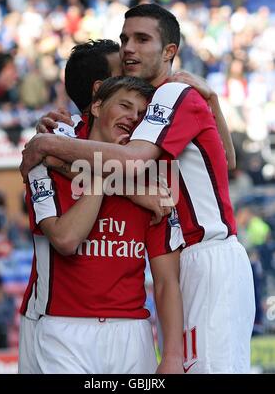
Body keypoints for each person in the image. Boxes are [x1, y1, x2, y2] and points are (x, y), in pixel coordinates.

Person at [20, 3, 255, 374]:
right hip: (178, 261)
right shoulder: (146, 112)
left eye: (141, 39)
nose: (129, 48)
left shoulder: (171, 96)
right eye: (125, 39)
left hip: (206, 255)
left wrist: (49, 148)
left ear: (169, 51)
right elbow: (223, 163)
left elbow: (129, 160)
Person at [21, 76, 185, 374]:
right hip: (63, 330)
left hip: (133, 334)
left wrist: (172, 356)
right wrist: (106, 176)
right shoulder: (44, 164)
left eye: (141, 115)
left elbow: (166, 280)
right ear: (96, 106)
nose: (133, 118)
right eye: (124, 106)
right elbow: (67, 240)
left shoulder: (155, 183)